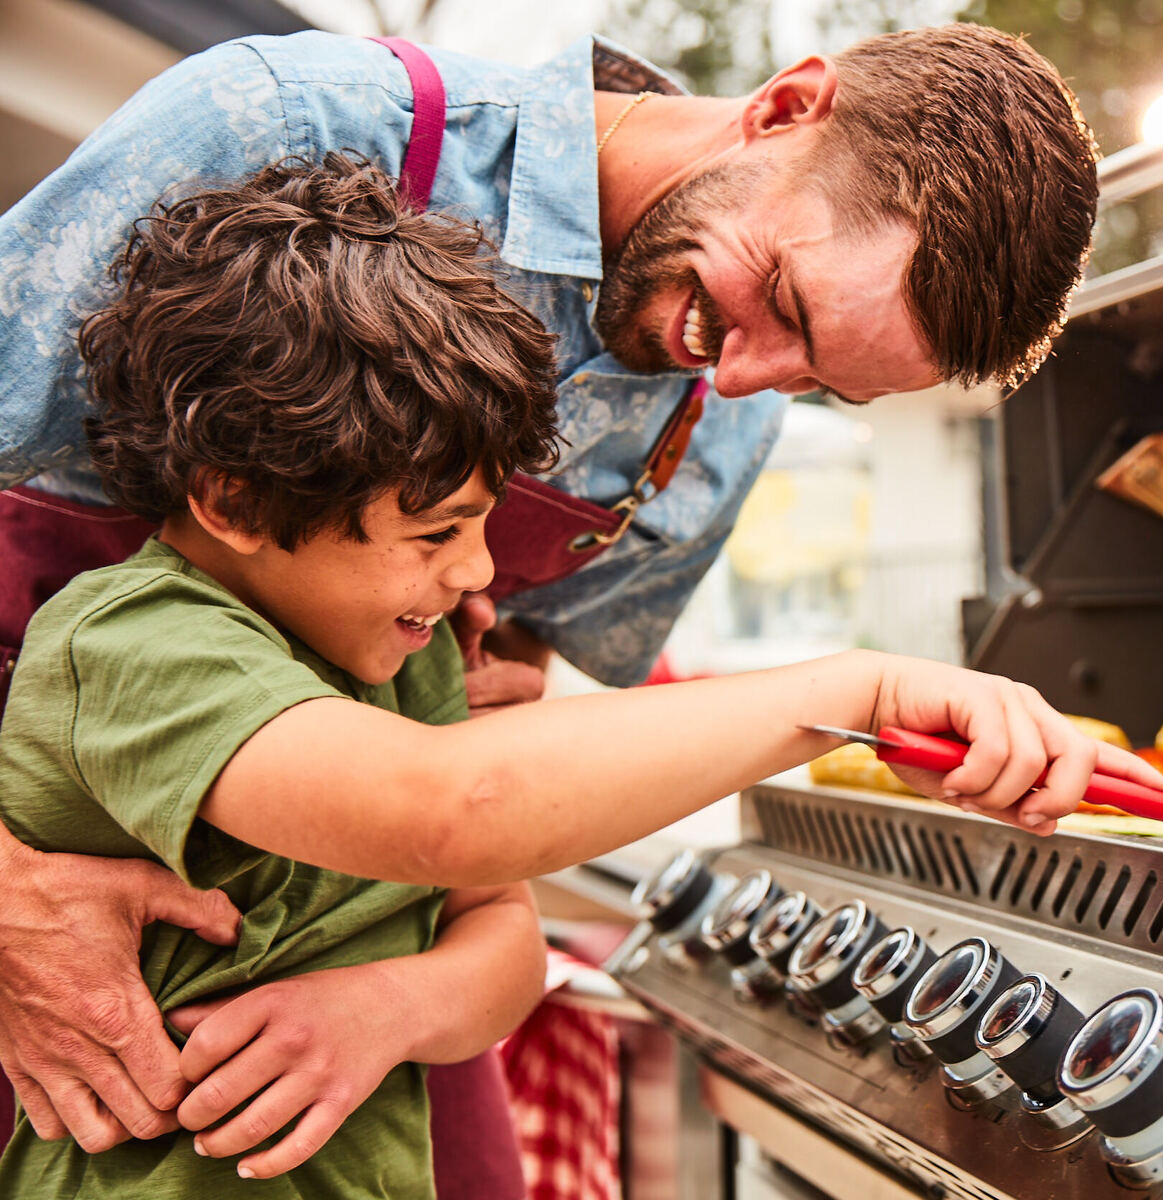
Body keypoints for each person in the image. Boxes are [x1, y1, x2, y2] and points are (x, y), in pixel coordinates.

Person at [0, 21, 1101, 1194]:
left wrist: (407, 986)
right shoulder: (280, 125)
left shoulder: (715, 432)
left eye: (819, 379)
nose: (737, 380)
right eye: (781, 296)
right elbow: (453, 804)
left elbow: (487, 749)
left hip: (353, 926)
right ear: (787, 107)